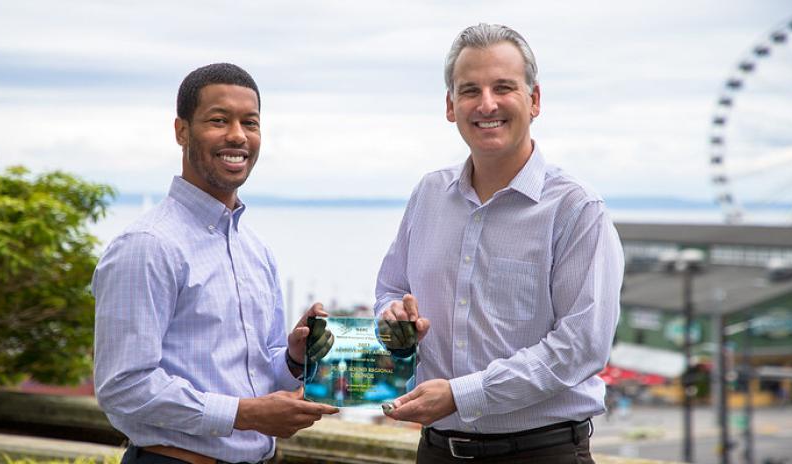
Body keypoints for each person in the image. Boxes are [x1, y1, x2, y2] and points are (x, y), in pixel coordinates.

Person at [376, 24, 624, 462]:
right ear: (451, 106)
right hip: (435, 452)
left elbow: (581, 346)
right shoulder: (428, 195)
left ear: (535, 100)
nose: (486, 104)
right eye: (470, 90)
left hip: (541, 453)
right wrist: (392, 316)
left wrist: (462, 394)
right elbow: (391, 289)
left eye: (503, 87)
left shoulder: (575, 208)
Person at [93, 63, 337, 464]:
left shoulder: (255, 250)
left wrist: (293, 358)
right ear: (182, 131)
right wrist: (244, 415)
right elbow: (124, 387)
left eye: (250, 122)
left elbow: (256, 373)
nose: (238, 136)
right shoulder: (147, 245)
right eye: (219, 120)